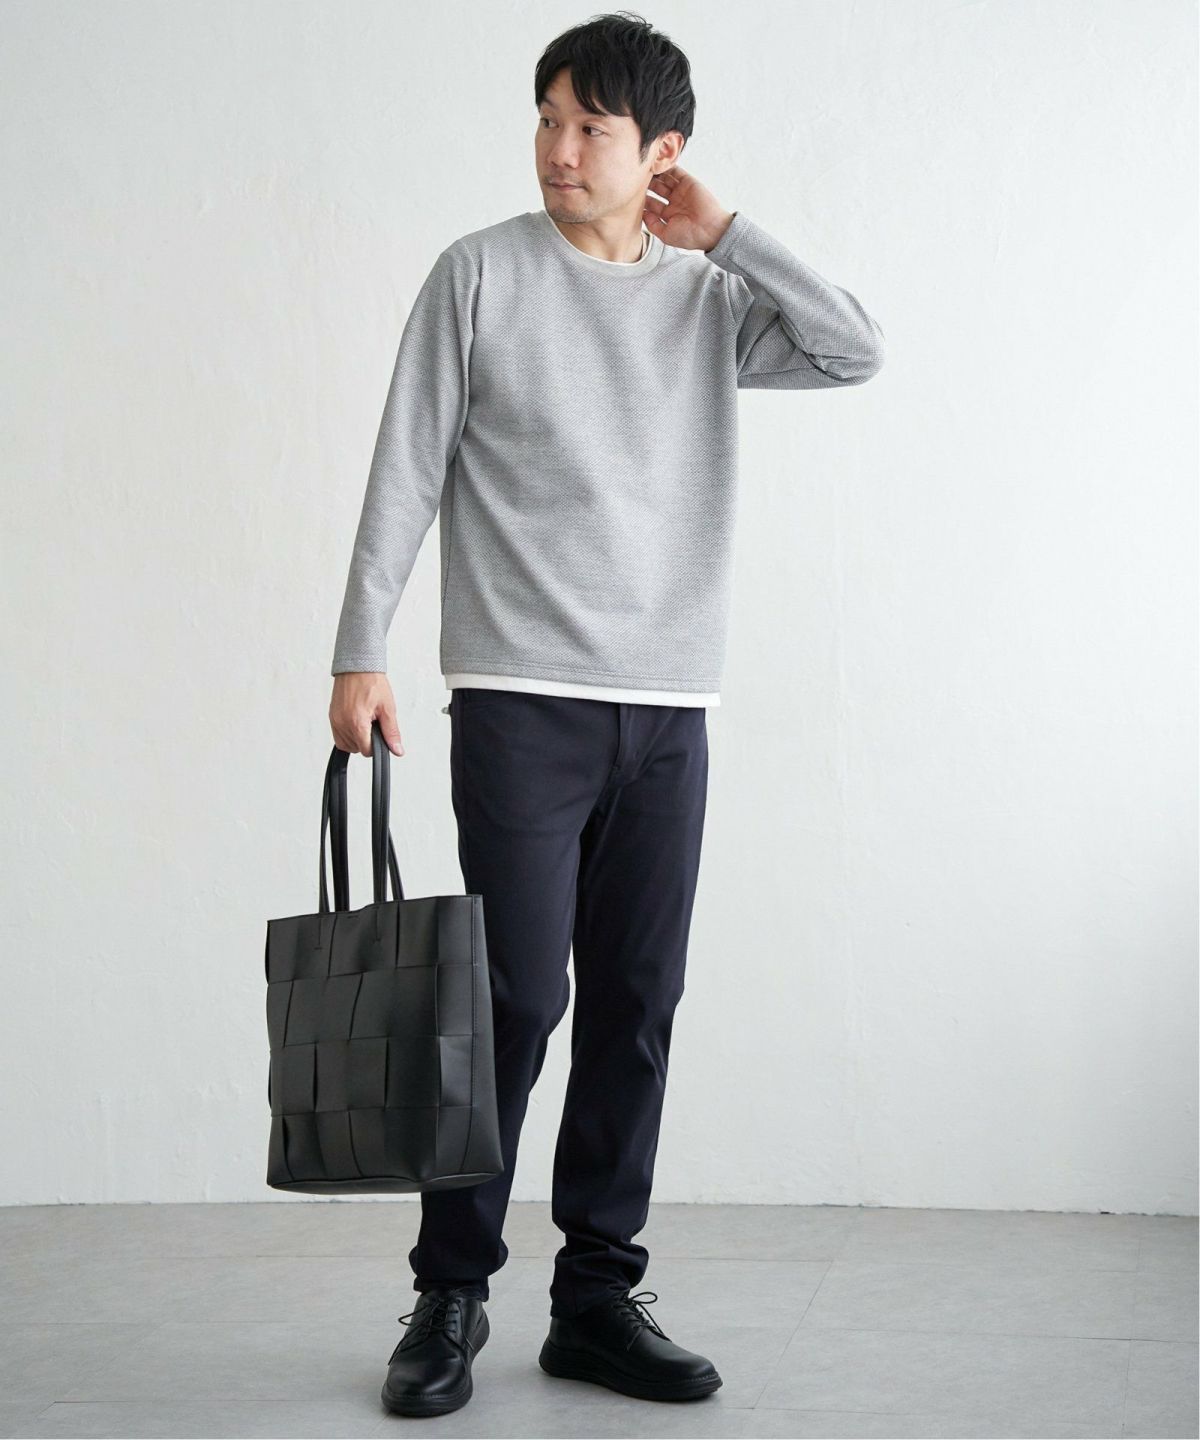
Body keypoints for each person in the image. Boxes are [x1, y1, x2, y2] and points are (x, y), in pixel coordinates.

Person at [327, 11, 885, 1419]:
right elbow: (405, 465)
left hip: (667, 706)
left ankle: (593, 1298)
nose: (559, 149)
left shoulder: (708, 300)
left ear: (662, 154)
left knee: (637, 1005)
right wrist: (360, 646)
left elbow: (854, 350)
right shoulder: (479, 274)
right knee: (513, 1001)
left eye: (592, 127)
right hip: (520, 697)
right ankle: (452, 1291)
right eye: (548, 118)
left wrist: (729, 233)